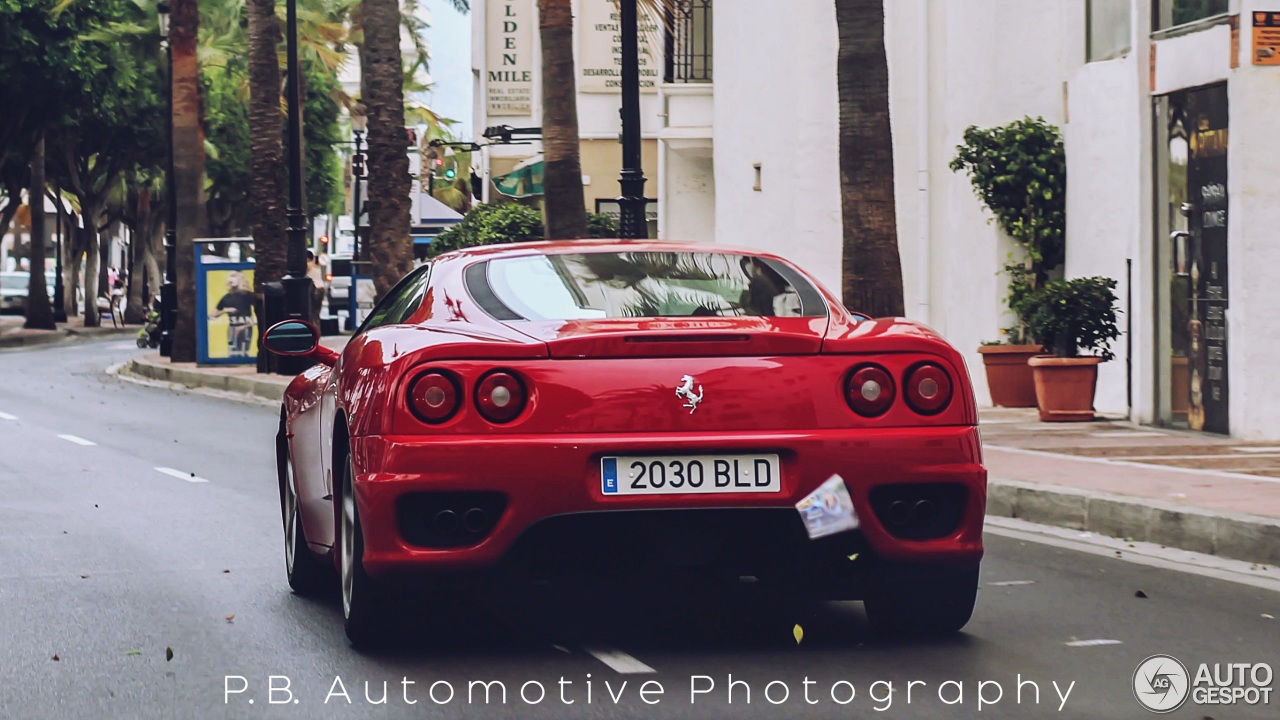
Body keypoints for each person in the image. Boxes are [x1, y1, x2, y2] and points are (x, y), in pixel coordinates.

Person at [208, 271, 256, 357]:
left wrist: (244, 326)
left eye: (234, 277)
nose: (231, 279)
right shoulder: (226, 297)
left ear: (240, 279)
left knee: (243, 352)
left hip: (245, 328)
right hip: (232, 328)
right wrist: (225, 310)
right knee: (232, 352)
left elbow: (261, 314)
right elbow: (211, 316)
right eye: (230, 277)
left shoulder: (248, 295)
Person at [306, 251, 325, 324]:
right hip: (321, 287)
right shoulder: (317, 265)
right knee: (316, 313)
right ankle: (317, 331)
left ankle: (313, 330)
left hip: (314, 289)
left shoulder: (308, 265)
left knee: (311, 311)